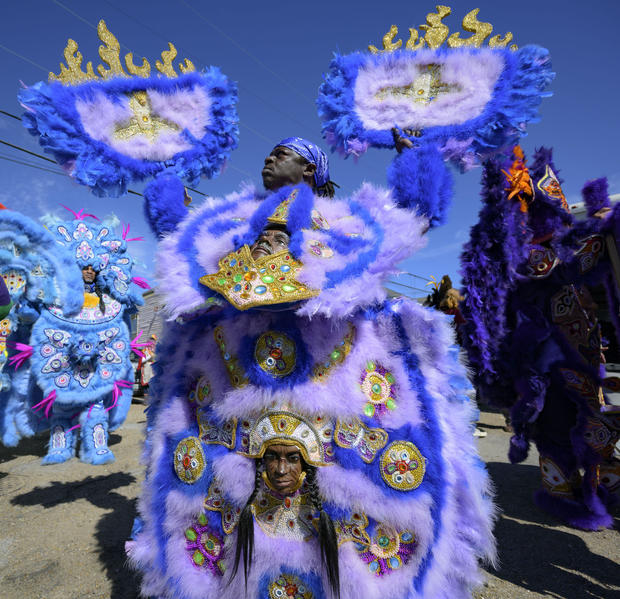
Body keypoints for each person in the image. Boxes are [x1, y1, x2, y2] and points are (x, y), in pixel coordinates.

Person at [127, 137, 496, 599]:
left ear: (310, 169)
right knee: (235, 492)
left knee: (329, 500)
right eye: (269, 150)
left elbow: (411, 217)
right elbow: (182, 241)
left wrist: (414, 158)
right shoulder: (234, 222)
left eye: (283, 153)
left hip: (323, 379)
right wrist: (166, 183)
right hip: (236, 382)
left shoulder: (343, 221)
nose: (269, 156)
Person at [460, 147, 620, 529]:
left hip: (578, 347)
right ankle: (564, 493)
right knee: (554, 420)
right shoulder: (514, 252)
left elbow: (584, 254)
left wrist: (603, 223)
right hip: (538, 356)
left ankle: (598, 489)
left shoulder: (558, 245)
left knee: (592, 416)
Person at [1, 210, 145, 465]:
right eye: (83, 267)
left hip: (98, 361)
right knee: (62, 404)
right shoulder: (55, 296)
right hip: (61, 359)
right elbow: (32, 312)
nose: (88, 272)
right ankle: (60, 444)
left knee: (95, 403)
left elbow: (124, 314)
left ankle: (96, 444)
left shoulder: (108, 301)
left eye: (92, 268)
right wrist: (26, 312)